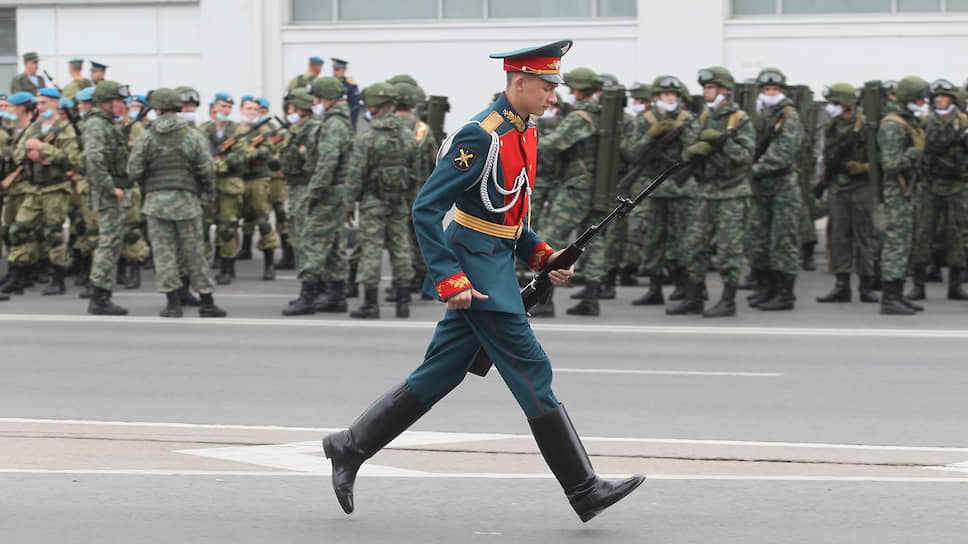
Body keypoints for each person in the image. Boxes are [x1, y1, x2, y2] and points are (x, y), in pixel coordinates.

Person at [321, 39, 644, 523]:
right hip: (477, 278)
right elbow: (427, 210)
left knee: (442, 372)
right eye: (547, 85)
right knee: (532, 371)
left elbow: (505, 213)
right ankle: (584, 490)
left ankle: (349, 445)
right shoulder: (481, 135)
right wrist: (449, 278)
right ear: (519, 82)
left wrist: (542, 253)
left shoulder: (523, 131)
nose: (554, 95)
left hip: (492, 266)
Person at [127, 88, 226, 318]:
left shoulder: (147, 135)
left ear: (158, 110)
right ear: (179, 108)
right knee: (194, 253)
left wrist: (148, 185)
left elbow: (133, 170)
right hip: (186, 201)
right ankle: (207, 302)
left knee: (164, 255)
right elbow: (207, 169)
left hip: (156, 202)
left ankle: (173, 304)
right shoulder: (192, 135)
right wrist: (205, 194)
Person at [671, 66, 756, 317]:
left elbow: (746, 157)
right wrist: (694, 150)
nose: (706, 92)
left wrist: (724, 141)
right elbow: (687, 151)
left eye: (710, 88)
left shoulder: (740, 120)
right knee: (693, 245)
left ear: (724, 91)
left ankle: (728, 301)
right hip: (704, 191)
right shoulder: (704, 117)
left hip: (731, 193)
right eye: (705, 88)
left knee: (729, 249)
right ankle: (695, 296)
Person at [622, 75, 698, 307]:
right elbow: (631, 153)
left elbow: (693, 153)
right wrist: (650, 136)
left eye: (674, 95)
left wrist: (683, 136)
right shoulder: (645, 120)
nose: (670, 99)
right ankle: (655, 288)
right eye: (666, 95)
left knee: (683, 240)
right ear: (656, 97)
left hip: (680, 188)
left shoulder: (688, 120)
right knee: (652, 239)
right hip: (652, 187)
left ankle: (684, 286)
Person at [534, 67, 605, 316]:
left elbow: (553, 143)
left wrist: (527, 138)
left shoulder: (580, 117)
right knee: (594, 241)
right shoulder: (600, 115)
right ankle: (592, 298)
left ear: (577, 90)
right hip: (594, 186)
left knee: (551, 237)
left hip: (577, 187)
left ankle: (545, 300)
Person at [344, 82, 417, 319]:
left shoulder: (367, 138)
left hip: (372, 202)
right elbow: (416, 173)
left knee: (371, 250)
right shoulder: (408, 136)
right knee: (401, 248)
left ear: (374, 106)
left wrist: (349, 204)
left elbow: (356, 175)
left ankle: (370, 304)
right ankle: (403, 303)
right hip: (400, 202)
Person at [283, 77, 354, 315]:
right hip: (337, 190)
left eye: (318, 98)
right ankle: (336, 295)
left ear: (328, 98)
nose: (315, 102)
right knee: (334, 243)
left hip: (328, 191)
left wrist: (315, 190)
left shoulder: (333, 124)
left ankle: (308, 297)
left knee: (313, 241)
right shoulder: (338, 121)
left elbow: (327, 161)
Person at [815, 82, 880, 304]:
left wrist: (863, 168)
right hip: (838, 187)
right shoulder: (832, 126)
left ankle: (866, 285)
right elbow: (828, 158)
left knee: (864, 237)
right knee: (838, 237)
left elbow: (882, 160)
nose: (830, 107)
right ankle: (841, 285)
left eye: (834, 103)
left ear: (846, 104)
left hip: (861, 188)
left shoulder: (867, 125)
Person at [745, 68, 804, 311]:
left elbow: (782, 154)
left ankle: (784, 293)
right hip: (761, 187)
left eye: (775, 90)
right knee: (758, 239)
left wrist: (752, 169)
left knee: (783, 240)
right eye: (767, 90)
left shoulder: (789, 117)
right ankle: (766, 287)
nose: (771, 93)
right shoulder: (759, 115)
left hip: (782, 186)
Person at [907, 78, 968, 301]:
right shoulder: (926, 122)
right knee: (924, 233)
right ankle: (919, 284)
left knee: (958, 235)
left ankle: (956, 284)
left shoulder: (963, 122)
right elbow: (916, 149)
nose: (940, 100)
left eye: (945, 97)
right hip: (930, 186)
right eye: (937, 97)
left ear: (953, 99)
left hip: (957, 186)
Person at [878, 76, 929, 315]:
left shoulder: (909, 121)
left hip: (909, 191)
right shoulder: (892, 124)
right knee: (895, 245)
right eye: (918, 97)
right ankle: (889, 297)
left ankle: (898, 293)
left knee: (905, 243)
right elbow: (890, 165)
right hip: (897, 191)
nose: (922, 102)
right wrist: (913, 153)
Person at [83, 81, 131, 315]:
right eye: (119, 102)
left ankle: (101, 295)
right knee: (109, 243)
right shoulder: (96, 125)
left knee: (112, 243)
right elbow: (94, 160)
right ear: (106, 103)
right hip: (109, 194)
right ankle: (99, 298)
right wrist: (111, 188)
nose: (123, 106)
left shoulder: (105, 124)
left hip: (114, 191)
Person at [331, 58, 361, 127]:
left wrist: (352, 126)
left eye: (337, 70)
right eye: (334, 70)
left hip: (344, 122)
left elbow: (354, 108)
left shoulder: (351, 86)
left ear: (344, 70)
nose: (335, 73)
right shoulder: (329, 84)